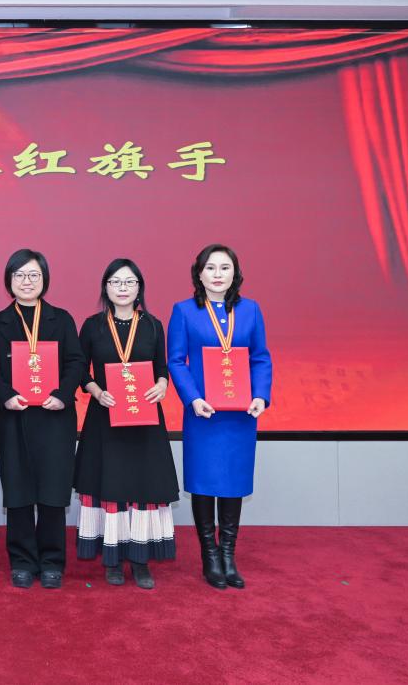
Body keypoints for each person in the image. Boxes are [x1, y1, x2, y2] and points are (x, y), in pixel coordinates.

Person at [168, 244, 272, 590]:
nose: (217, 274)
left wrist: (260, 395)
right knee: (204, 481)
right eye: (210, 268)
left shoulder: (250, 310)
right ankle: (209, 555)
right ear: (199, 274)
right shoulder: (184, 311)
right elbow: (176, 361)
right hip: (203, 413)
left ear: (235, 274)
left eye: (225, 268)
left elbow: (260, 356)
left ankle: (229, 554)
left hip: (240, 414)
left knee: (233, 481)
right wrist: (193, 399)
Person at [0, 248, 85, 590]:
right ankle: (22, 561)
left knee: (53, 491)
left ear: (44, 279)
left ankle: (52, 561)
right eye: (20, 275)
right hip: (15, 417)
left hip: (55, 418)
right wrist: (5, 395)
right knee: (19, 490)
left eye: (34, 275)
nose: (27, 281)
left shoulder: (61, 319)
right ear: (9, 280)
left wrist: (63, 394)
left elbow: (76, 362)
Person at [74, 259, 179, 590]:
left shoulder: (152, 326)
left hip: (144, 418)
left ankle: (140, 560)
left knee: (143, 486)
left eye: (129, 282)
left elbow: (162, 367)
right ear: (105, 287)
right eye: (116, 282)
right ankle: (113, 561)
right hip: (105, 417)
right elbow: (79, 369)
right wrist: (95, 390)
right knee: (110, 484)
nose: (122, 288)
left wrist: (162, 384)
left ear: (139, 288)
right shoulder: (93, 326)